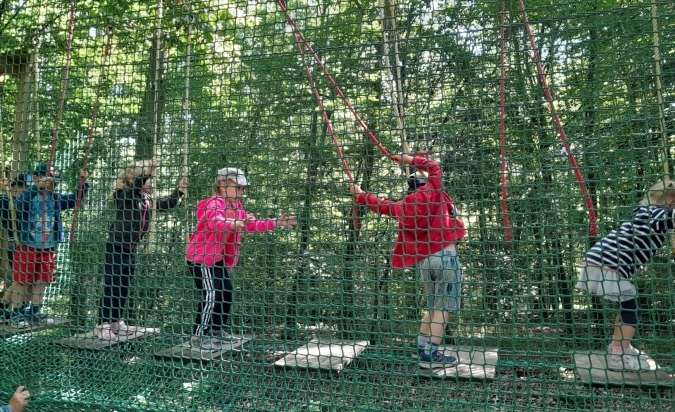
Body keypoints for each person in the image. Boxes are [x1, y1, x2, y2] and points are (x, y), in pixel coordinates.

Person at [350, 154, 467, 369]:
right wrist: (407, 159)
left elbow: (382, 205)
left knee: (433, 306)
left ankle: (422, 348)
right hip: (445, 259)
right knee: (444, 307)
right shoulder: (434, 190)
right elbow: (434, 166)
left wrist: (360, 195)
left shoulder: (404, 206)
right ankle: (430, 356)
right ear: (424, 182)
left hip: (425, 263)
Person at [185, 168, 297, 349]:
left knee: (226, 291)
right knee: (211, 295)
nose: (241, 192)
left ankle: (216, 330)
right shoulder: (213, 203)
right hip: (201, 258)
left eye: (243, 189)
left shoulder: (237, 208)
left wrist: (277, 222)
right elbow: (216, 222)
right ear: (222, 184)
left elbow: (251, 225)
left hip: (218, 258)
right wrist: (236, 223)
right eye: (238, 187)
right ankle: (199, 336)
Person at [576, 179, 675, 372]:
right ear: (668, 203)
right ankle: (617, 354)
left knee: (628, 305)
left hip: (603, 261)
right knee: (633, 308)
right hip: (607, 262)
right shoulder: (653, 214)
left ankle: (619, 346)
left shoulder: (649, 214)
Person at [95, 159, 188, 339]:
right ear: (132, 179)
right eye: (147, 178)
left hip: (130, 249)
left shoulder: (147, 199)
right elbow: (133, 189)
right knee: (112, 284)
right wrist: (148, 170)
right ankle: (102, 323)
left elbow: (167, 204)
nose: (150, 181)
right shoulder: (123, 195)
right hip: (116, 247)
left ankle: (116, 320)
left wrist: (180, 190)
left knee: (123, 286)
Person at [7, 164, 89, 326]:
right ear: (36, 179)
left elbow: (75, 200)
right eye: (50, 181)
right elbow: (19, 205)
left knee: (42, 280)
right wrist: (36, 187)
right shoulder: (28, 196)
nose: (53, 185)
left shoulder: (55, 198)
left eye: (55, 182)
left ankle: (35, 311)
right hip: (27, 245)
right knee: (22, 281)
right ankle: (16, 312)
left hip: (48, 247)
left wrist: (83, 184)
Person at [0, 174, 30, 322]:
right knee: (21, 279)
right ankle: (13, 309)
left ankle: (5, 307)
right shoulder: (7, 201)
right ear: (15, 188)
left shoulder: (26, 201)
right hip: (16, 244)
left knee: (25, 278)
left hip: (29, 244)